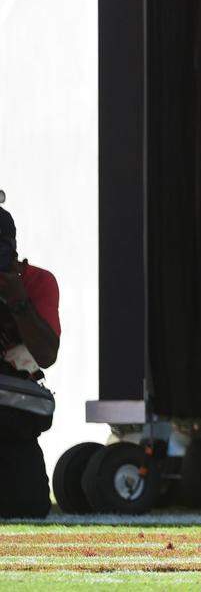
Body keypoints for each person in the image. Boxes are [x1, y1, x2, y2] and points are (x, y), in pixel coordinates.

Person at [0, 203, 61, 519]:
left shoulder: (35, 282)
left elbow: (47, 356)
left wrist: (18, 300)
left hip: (12, 414)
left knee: (28, 505)